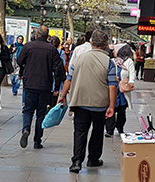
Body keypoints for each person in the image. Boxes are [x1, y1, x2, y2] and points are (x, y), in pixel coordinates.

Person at [57, 30, 116, 173]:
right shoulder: (109, 62)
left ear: (91, 43)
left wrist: (62, 95)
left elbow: (69, 79)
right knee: (97, 131)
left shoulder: (79, 59)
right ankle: (93, 158)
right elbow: (112, 85)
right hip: (99, 104)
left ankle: (76, 161)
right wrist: (112, 106)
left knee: (80, 132)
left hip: (80, 101)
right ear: (106, 45)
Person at [17, 26, 65, 149]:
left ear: (37, 34)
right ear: (47, 36)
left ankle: (26, 129)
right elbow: (58, 69)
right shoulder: (51, 49)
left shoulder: (28, 46)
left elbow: (19, 61)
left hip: (30, 83)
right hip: (45, 85)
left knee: (28, 110)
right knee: (40, 113)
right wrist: (57, 87)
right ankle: (37, 140)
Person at [105, 43, 136, 137]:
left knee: (122, 110)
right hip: (113, 88)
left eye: (114, 50)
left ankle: (120, 127)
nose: (113, 52)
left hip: (122, 90)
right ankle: (109, 129)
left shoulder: (128, 61)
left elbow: (132, 74)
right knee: (111, 108)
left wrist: (130, 83)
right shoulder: (112, 61)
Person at [49, 35, 67, 108]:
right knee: (54, 96)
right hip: (57, 76)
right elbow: (63, 64)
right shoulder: (61, 52)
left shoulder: (48, 50)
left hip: (48, 76)